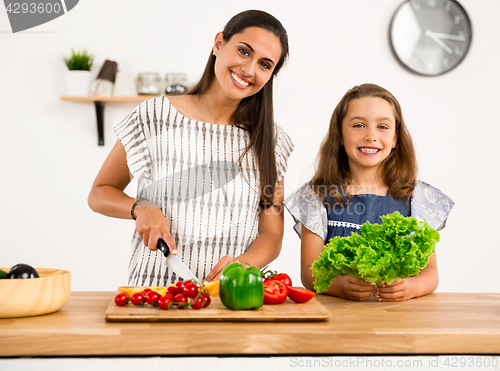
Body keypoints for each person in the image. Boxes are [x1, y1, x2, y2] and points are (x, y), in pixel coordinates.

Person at [88, 10, 294, 287]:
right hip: (153, 294)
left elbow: (272, 234)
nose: (249, 70)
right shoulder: (155, 115)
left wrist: (243, 265)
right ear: (219, 43)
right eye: (244, 51)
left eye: (265, 65)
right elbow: (99, 194)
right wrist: (140, 207)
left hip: (230, 297)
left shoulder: (272, 141)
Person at [284, 83, 453, 302]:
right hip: (339, 315)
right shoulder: (318, 196)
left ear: (395, 138)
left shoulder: (416, 198)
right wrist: (341, 285)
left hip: (399, 319)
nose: (371, 136)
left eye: (382, 127)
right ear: (340, 135)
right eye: (358, 125)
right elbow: (309, 270)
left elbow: (431, 273)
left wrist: (410, 287)